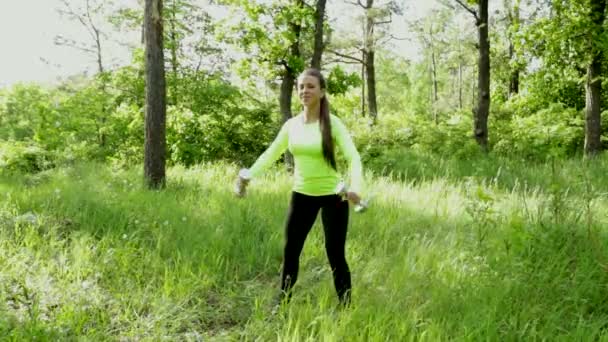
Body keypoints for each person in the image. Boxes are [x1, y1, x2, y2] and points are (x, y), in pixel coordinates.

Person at [235, 68, 364, 308]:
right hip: (302, 195)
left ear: (322, 91)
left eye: (311, 86)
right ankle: (281, 305)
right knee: (291, 252)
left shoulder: (333, 124)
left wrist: (356, 187)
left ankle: (346, 307)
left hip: (334, 196)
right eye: (301, 87)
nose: (305, 90)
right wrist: (248, 175)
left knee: (335, 254)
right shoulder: (291, 125)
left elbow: (353, 157)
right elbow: (271, 153)